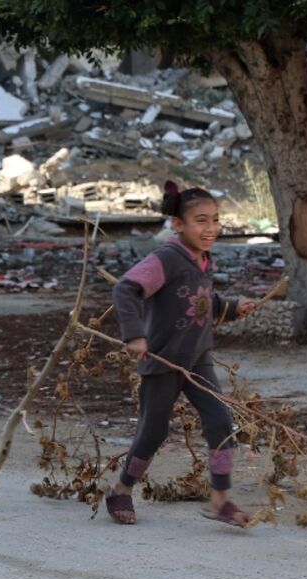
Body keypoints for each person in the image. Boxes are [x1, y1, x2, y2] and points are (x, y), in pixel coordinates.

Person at [110, 182, 257, 527]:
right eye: (201, 221)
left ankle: (220, 500)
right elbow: (126, 289)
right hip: (162, 360)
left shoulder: (203, 261)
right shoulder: (165, 259)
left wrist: (233, 308)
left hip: (197, 358)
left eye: (216, 220)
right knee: (153, 431)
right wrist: (134, 335)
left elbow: (202, 302)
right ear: (178, 224)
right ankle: (121, 489)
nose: (211, 229)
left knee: (220, 421)